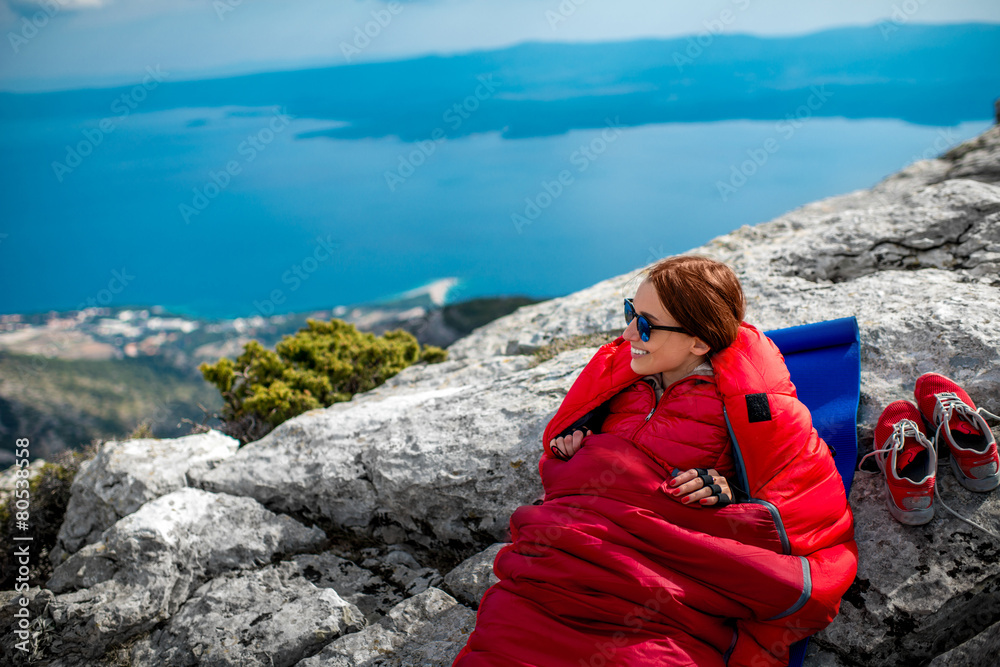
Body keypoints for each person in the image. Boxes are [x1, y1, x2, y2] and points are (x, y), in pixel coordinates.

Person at [453, 255, 858, 667]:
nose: (628, 331)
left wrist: (730, 493)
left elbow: (801, 504)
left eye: (645, 323)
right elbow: (567, 480)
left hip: (656, 591)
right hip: (554, 572)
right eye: (631, 311)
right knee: (505, 643)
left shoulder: (748, 405)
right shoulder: (620, 383)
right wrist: (576, 450)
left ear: (698, 342)